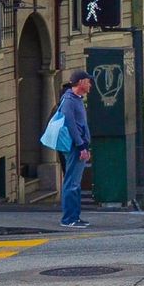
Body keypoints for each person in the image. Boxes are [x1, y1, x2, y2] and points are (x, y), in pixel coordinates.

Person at [59, 70, 94, 228]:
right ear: (81, 83)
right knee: (71, 182)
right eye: (88, 81)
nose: (90, 84)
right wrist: (81, 146)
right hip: (75, 146)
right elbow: (71, 125)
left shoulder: (76, 99)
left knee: (75, 182)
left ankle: (75, 216)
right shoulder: (69, 100)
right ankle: (69, 218)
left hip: (80, 145)